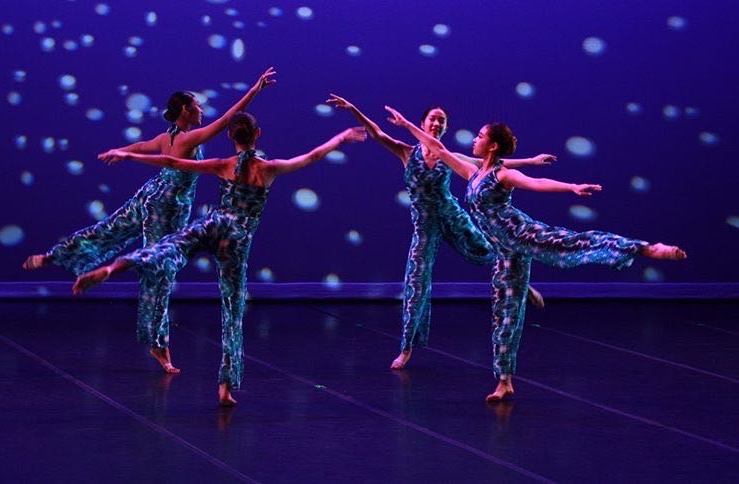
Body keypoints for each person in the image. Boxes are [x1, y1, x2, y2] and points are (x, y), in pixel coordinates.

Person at [384, 105, 686, 402]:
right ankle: (504, 382)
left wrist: (571, 187)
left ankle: (645, 248)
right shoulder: (471, 173)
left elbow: (537, 183)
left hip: (523, 233)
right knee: (504, 314)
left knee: (573, 243)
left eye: (480, 136)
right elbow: (437, 147)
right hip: (505, 252)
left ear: (492, 146)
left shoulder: (501, 175)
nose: (474, 140)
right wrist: (408, 126)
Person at [72, 111, 367, 406]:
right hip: (237, 240)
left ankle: (113, 267)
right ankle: (225, 386)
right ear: (258, 134)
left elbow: (173, 162)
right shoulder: (270, 169)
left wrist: (128, 155)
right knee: (232, 312)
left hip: (213, 224)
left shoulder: (223, 165)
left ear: (230, 136)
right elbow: (312, 156)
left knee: (165, 247)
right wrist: (342, 137)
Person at [23, 68, 276, 373]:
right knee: (159, 271)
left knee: (108, 231)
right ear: (185, 109)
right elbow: (227, 119)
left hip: (150, 195)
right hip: (167, 207)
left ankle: (53, 255)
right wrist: (254, 90)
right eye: (196, 106)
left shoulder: (166, 137)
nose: (201, 110)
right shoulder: (188, 138)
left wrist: (122, 151)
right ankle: (158, 344)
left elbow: (144, 148)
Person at [326, 94, 554, 369]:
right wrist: (354, 109)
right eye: (432, 119)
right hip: (425, 224)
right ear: (422, 123)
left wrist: (530, 161)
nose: (436, 123)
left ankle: (522, 285)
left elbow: (494, 165)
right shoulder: (406, 152)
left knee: (490, 250)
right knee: (416, 282)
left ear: (444, 128)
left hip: (451, 214)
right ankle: (407, 347)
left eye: (441, 121)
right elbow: (377, 133)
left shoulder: (450, 156)